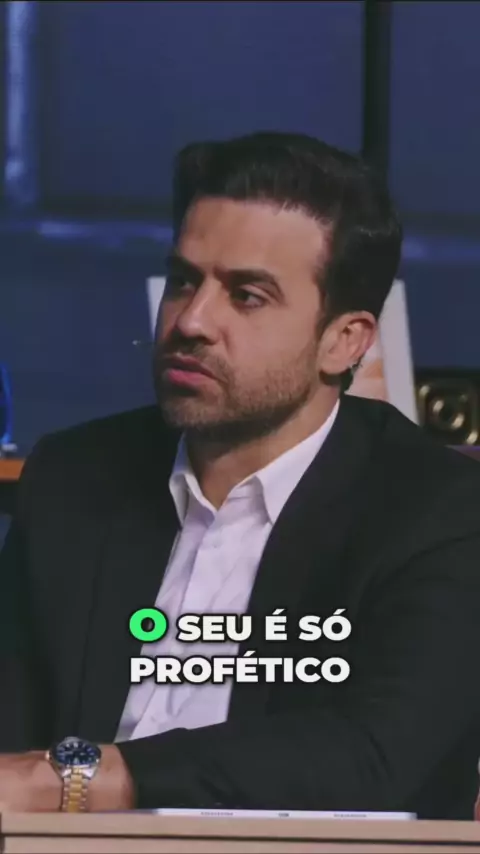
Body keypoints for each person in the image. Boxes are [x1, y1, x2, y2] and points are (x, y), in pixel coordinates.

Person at [1, 131, 480, 819]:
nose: (191, 321)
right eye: (184, 280)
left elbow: (373, 756)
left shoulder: (440, 510)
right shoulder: (75, 477)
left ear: (344, 340)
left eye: (248, 295)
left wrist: (74, 780)